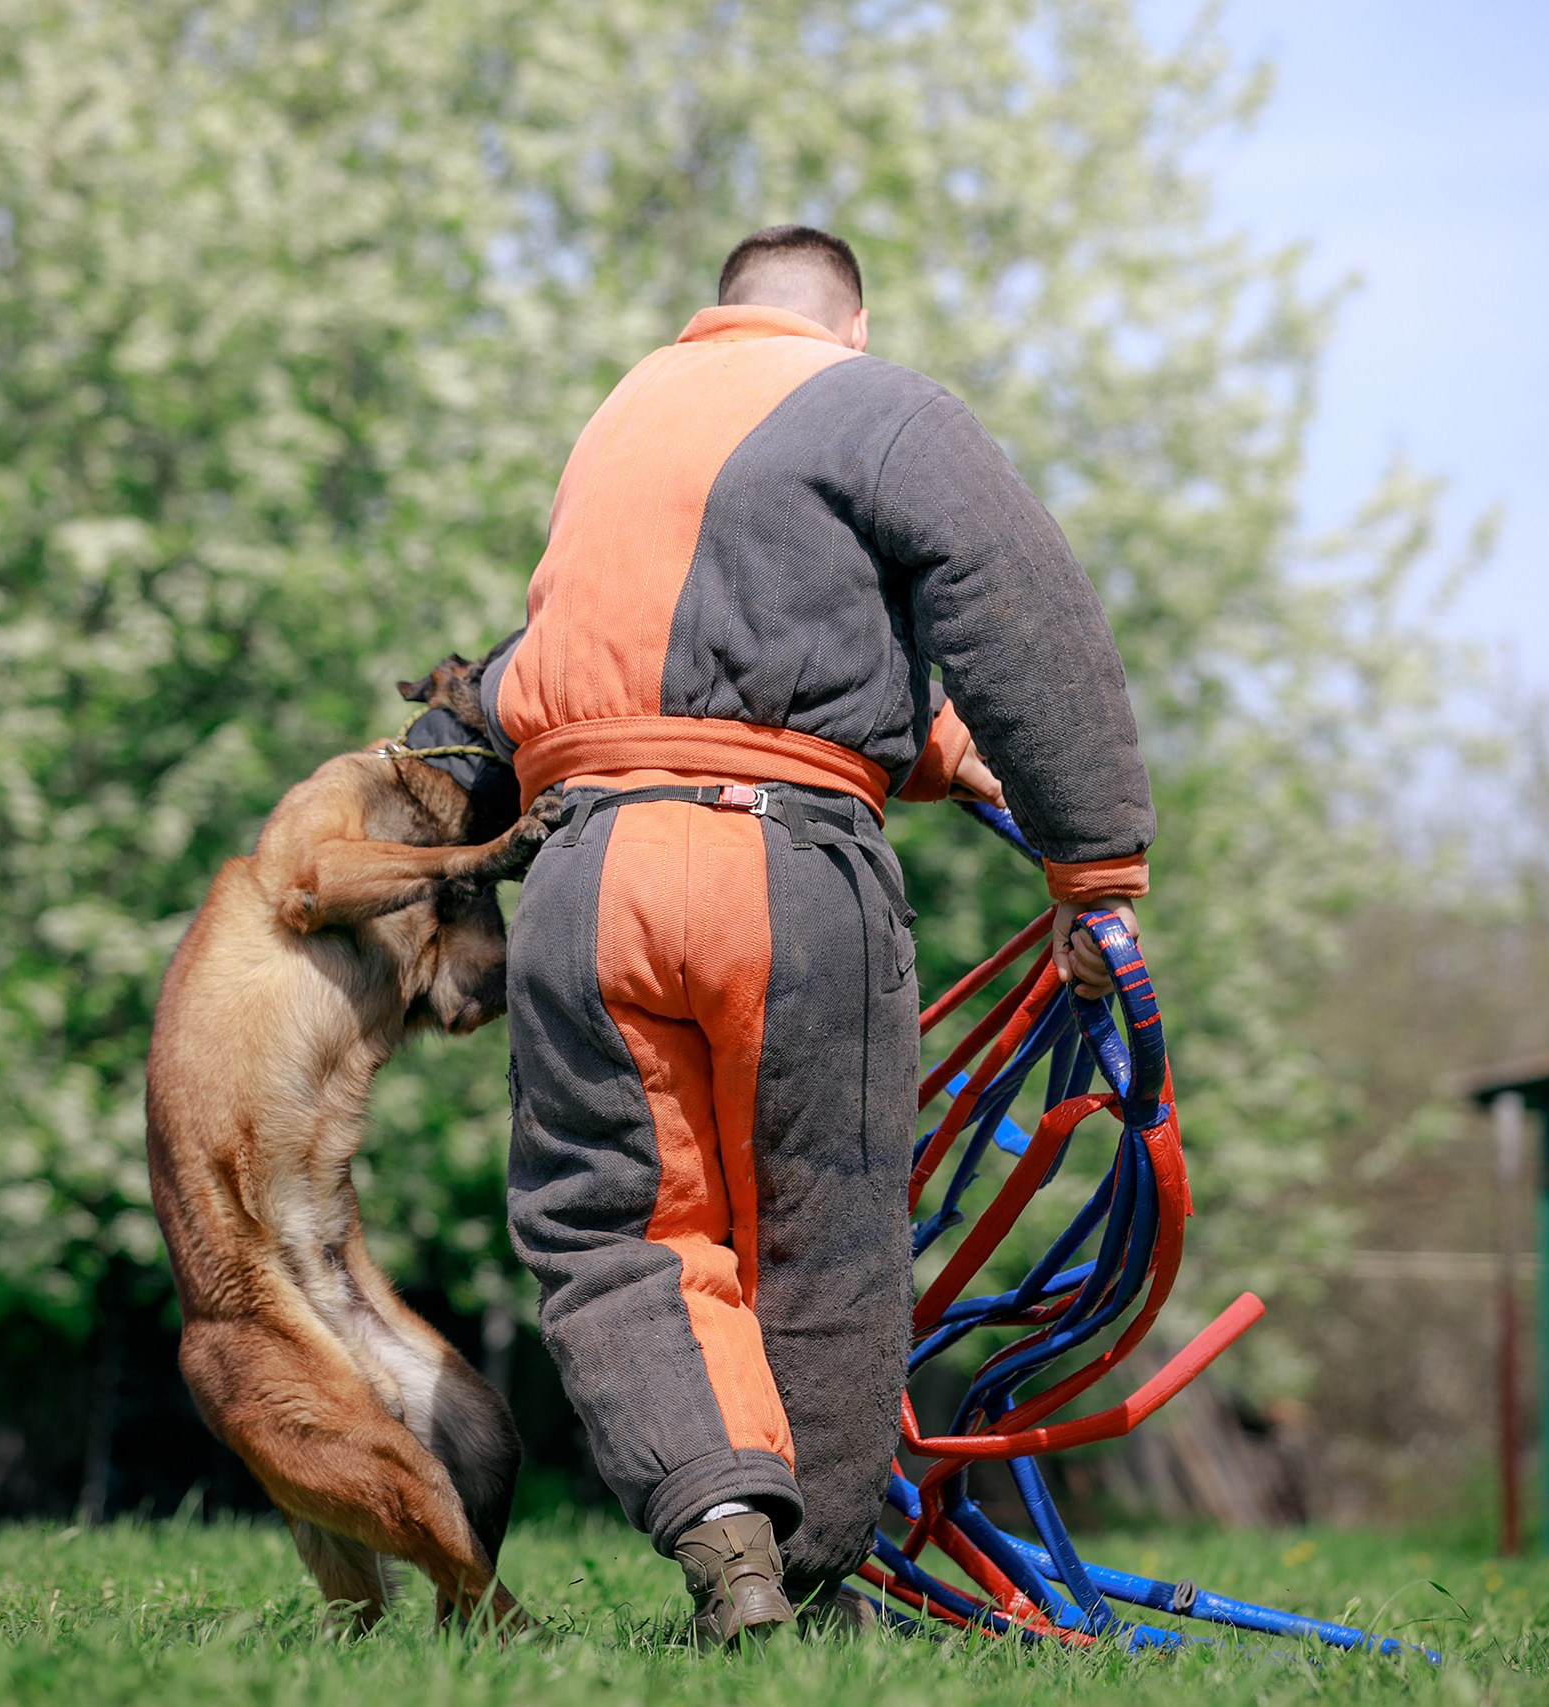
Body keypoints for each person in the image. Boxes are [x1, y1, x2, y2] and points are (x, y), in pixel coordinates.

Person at [474, 225, 1153, 1645]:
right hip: (782, 877)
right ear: (852, 322)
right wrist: (1095, 872)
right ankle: (823, 1566)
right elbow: (1025, 614)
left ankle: (724, 1527)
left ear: (715, 317)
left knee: (616, 1231)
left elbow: (645, 667)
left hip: (587, 871)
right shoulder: (877, 403)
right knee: (823, 1229)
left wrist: (929, 747)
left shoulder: (620, 421)